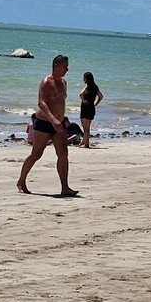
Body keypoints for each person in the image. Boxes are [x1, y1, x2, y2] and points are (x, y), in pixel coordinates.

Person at [17, 54, 78, 197]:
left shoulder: (63, 82)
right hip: (45, 122)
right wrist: (52, 119)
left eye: (67, 66)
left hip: (59, 123)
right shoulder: (46, 82)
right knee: (36, 154)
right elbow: (41, 103)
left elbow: (60, 102)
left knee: (63, 154)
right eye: (65, 66)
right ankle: (21, 180)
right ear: (56, 66)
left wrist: (62, 119)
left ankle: (65, 187)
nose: (67, 69)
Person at [79, 71, 104, 148]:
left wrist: (83, 100)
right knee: (88, 127)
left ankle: (86, 144)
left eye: (84, 78)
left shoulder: (87, 87)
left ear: (86, 79)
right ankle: (84, 142)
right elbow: (101, 96)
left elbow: (81, 94)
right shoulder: (95, 87)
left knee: (85, 127)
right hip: (91, 107)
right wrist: (96, 103)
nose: (83, 79)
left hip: (85, 107)